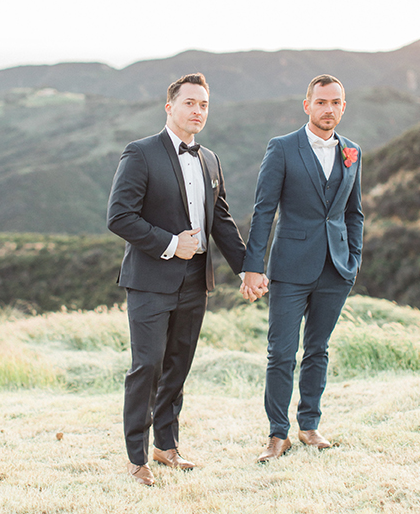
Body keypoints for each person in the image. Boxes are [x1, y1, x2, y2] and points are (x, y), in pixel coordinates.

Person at [107, 72, 246, 485]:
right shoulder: (140, 153)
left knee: (177, 366)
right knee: (146, 366)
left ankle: (166, 447)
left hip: (195, 281)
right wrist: (170, 243)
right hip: (150, 278)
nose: (197, 110)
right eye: (190, 103)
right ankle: (137, 458)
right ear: (170, 107)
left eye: (204, 104)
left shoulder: (210, 159)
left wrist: (249, 269)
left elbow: (220, 220)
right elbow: (119, 217)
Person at [241, 74, 364, 461]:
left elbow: (353, 212)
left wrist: (353, 259)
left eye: (336, 102)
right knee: (281, 352)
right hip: (291, 267)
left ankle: (309, 425)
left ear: (343, 107)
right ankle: (278, 435)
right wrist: (252, 267)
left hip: (336, 269)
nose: (329, 109)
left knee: (318, 349)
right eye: (322, 102)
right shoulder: (282, 148)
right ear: (307, 105)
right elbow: (264, 211)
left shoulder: (353, 151)